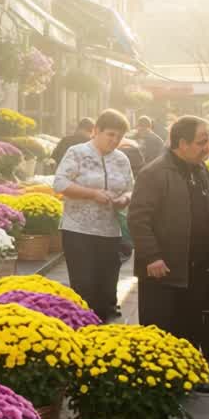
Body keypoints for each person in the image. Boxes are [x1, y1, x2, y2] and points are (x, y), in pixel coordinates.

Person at [129, 116, 209, 393]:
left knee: (191, 323)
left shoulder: (199, 169)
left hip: (197, 265)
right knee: (161, 326)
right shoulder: (154, 173)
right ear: (182, 143)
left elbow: (201, 206)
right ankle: (158, 383)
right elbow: (138, 219)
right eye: (202, 142)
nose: (207, 147)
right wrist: (152, 256)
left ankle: (189, 375)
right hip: (164, 267)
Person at [52, 109, 134, 321]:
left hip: (110, 230)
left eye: (119, 137)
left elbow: (130, 188)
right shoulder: (77, 152)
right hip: (78, 230)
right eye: (110, 134)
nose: (114, 140)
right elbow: (60, 183)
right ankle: (82, 325)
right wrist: (92, 194)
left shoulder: (122, 159)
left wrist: (124, 199)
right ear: (96, 130)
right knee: (84, 285)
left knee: (107, 286)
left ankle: (103, 328)